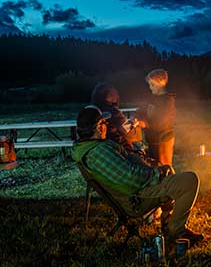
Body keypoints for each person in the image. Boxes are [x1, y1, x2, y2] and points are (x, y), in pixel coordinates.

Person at [71, 105, 203, 247]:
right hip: (137, 198)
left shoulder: (88, 148)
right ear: (99, 127)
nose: (107, 126)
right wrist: (156, 173)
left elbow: (126, 172)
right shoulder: (98, 153)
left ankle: (167, 220)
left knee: (168, 169)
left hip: (136, 190)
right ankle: (176, 231)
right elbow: (130, 177)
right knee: (189, 180)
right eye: (104, 123)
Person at [91, 83, 145, 154]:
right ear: (103, 96)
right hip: (117, 144)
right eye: (111, 94)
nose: (116, 96)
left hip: (100, 145)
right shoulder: (113, 111)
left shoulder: (93, 109)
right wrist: (134, 123)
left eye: (116, 93)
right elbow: (124, 129)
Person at [140, 69, 176, 167]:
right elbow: (143, 110)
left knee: (164, 168)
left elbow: (161, 123)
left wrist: (145, 123)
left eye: (152, 84)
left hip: (163, 141)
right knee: (154, 167)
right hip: (153, 140)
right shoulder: (152, 98)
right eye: (149, 84)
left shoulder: (168, 101)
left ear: (161, 83)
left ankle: (172, 182)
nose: (150, 87)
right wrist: (138, 117)